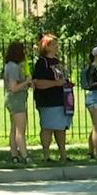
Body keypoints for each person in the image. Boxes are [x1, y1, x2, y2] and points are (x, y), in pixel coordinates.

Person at [32, 33, 71, 163]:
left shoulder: (58, 62)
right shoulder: (42, 63)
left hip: (61, 100)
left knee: (61, 128)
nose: (57, 47)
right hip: (47, 101)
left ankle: (63, 154)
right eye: (54, 44)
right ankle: (46, 155)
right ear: (46, 46)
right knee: (47, 127)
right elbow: (37, 83)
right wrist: (55, 83)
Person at [3, 41, 33, 165]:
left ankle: (14, 154)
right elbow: (14, 87)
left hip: (14, 99)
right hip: (16, 99)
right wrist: (27, 82)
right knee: (20, 130)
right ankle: (25, 155)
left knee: (14, 128)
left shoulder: (11, 66)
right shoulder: (13, 67)